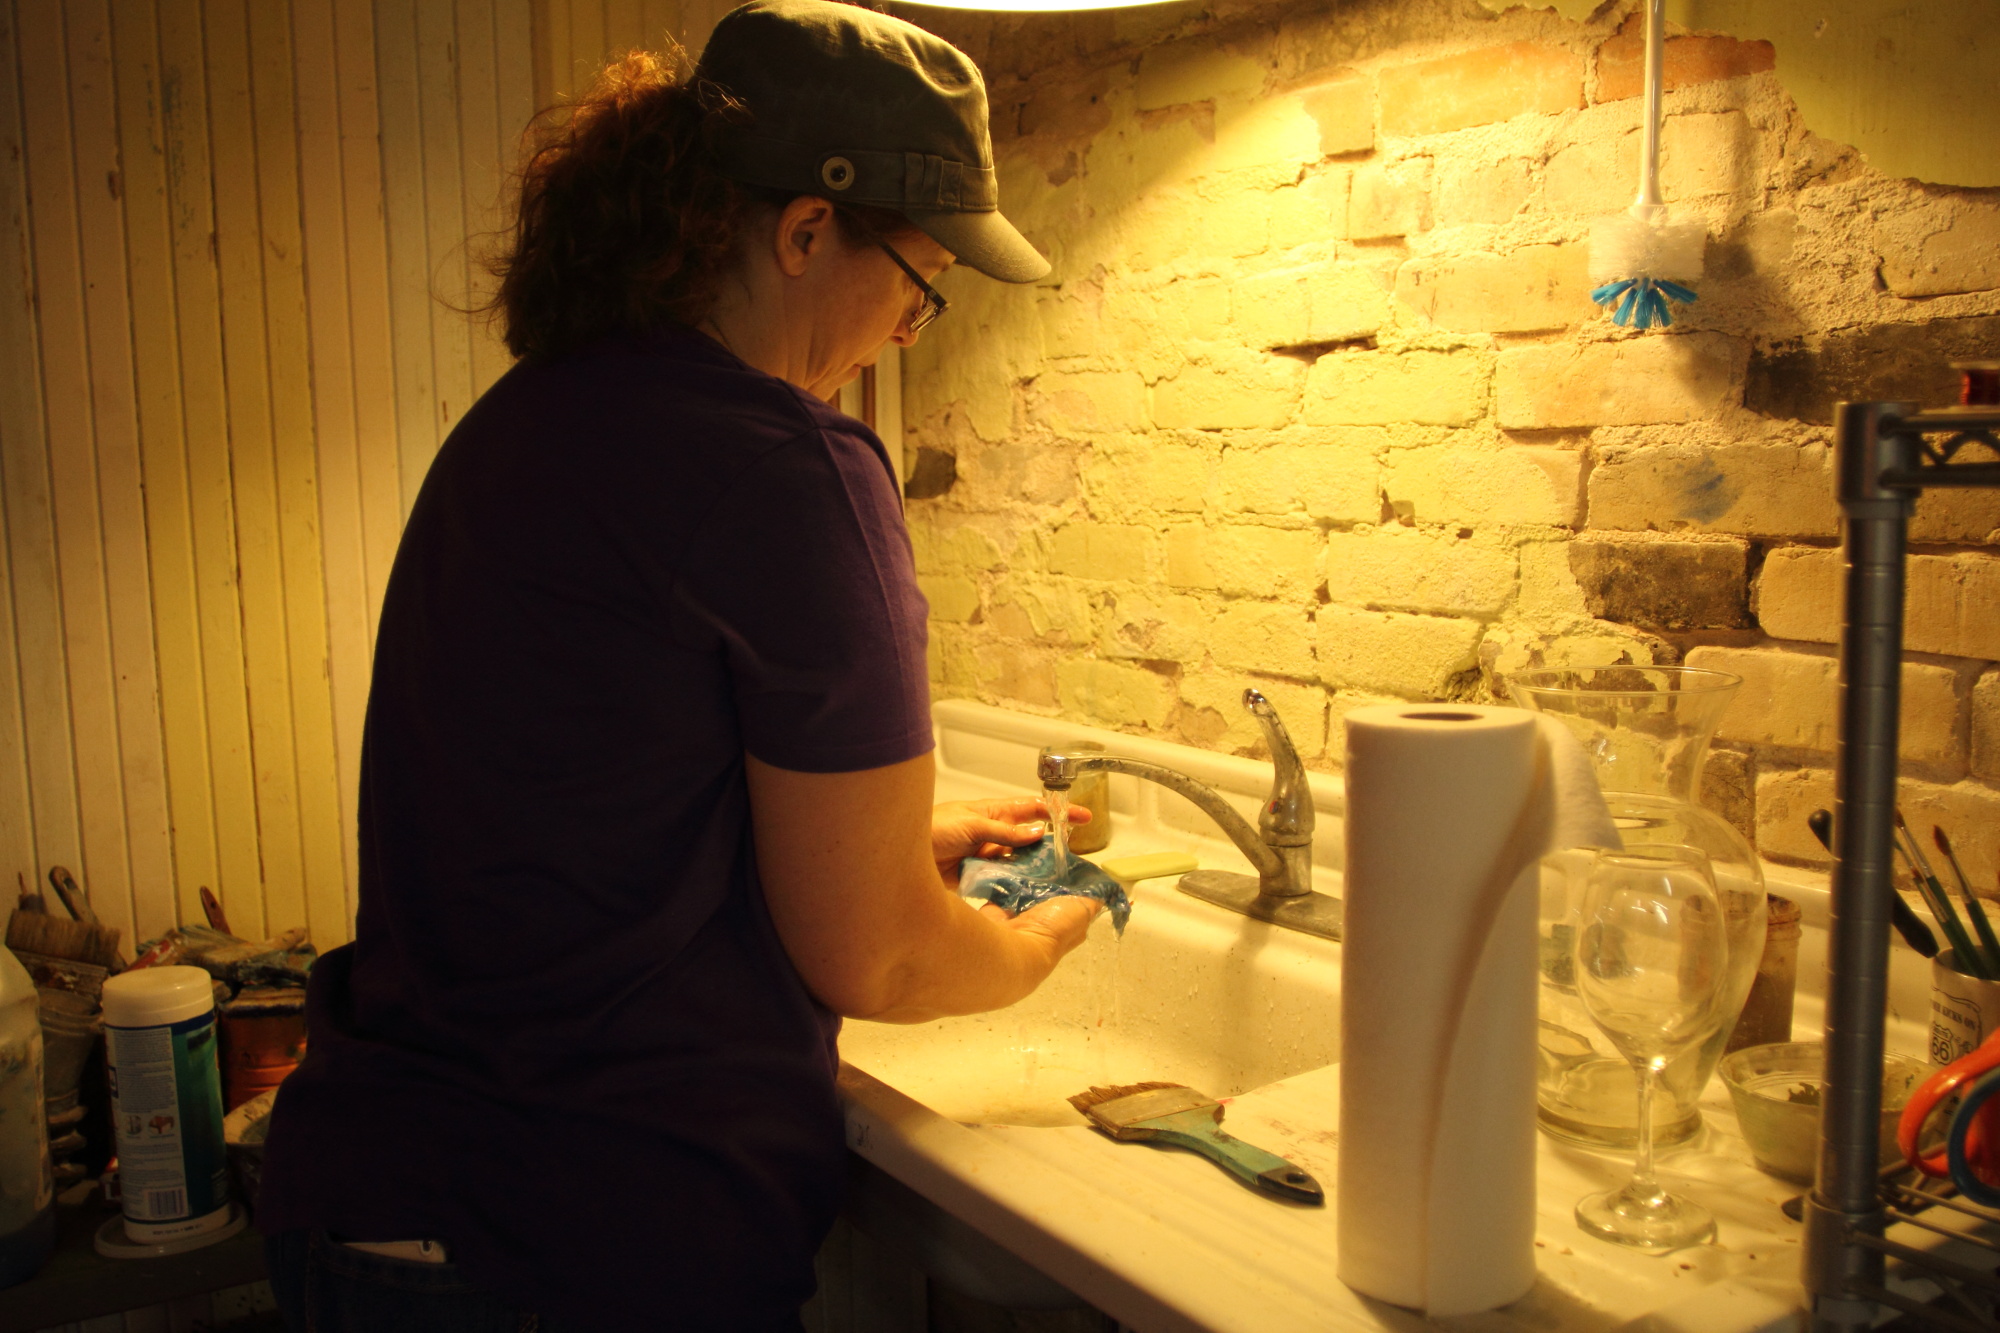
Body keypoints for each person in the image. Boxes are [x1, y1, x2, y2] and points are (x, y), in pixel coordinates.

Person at [256, 3, 1100, 1327]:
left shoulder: (524, 420)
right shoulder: (789, 466)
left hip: (371, 1198)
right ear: (806, 230)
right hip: (579, 1239)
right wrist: (1032, 940)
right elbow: (880, 961)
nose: (906, 328)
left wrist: (895, 837)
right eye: (921, 281)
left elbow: (582, 808)